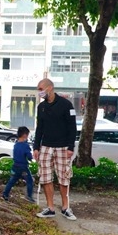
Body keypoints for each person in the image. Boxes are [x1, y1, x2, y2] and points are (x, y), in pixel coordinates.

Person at [33, 78, 77, 221]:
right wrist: (36, 147)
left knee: (64, 177)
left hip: (63, 146)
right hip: (45, 146)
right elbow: (39, 128)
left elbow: (72, 127)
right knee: (45, 177)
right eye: (38, 90)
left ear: (50, 87)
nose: (40, 92)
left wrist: (71, 146)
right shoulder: (41, 107)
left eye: (41, 89)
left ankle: (65, 207)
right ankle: (50, 207)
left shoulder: (66, 105)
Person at [2, 126, 35, 203]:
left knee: (11, 181)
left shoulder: (16, 145)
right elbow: (29, 156)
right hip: (23, 168)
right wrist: (31, 158)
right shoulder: (25, 145)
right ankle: (29, 196)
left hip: (15, 166)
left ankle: (5, 194)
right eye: (27, 135)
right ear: (24, 135)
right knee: (29, 181)